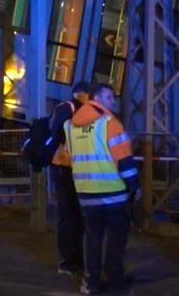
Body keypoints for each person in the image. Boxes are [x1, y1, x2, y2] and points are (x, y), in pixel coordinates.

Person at [66, 83, 140, 295]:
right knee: (116, 240)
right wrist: (134, 187)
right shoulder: (110, 123)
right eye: (109, 97)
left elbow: (73, 158)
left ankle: (91, 284)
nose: (113, 101)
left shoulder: (72, 126)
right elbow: (125, 161)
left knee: (93, 240)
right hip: (113, 194)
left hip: (86, 196)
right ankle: (116, 283)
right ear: (96, 98)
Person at [50, 81, 89, 277]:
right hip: (63, 168)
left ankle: (76, 259)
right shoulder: (67, 109)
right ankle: (67, 261)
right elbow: (58, 135)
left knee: (77, 216)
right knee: (68, 215)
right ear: (80, 94)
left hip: (76, 169)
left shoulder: (82, 111)